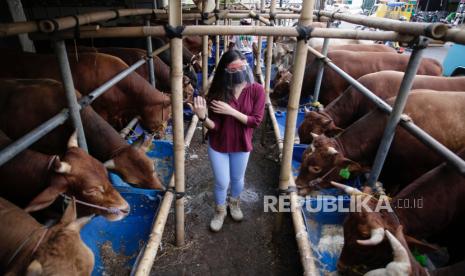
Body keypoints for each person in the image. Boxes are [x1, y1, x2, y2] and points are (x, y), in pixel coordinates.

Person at [189, 50, 266, 232]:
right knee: (222, 182)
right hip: (219, 144)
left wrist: (231, 111)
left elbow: (255, 121)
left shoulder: (257, 90)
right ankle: (220, 210)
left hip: (242, 143)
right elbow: (214, 126)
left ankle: (235, 203)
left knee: (238, 178)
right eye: (234, 68)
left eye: (242, 66)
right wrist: (202, 117)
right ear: (225, 70)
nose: (240, 71)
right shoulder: (218, 92)